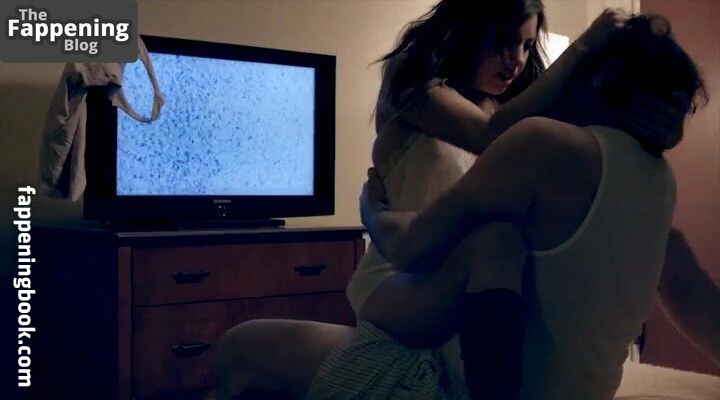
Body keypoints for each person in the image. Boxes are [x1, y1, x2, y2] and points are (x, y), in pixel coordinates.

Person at [213, 3, 705, 399]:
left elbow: (554, 141)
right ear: (466, 31)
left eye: (526, 45)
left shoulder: (526, 128)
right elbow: (490, 136)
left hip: (450, 269)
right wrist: (376, 219)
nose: (516, 59)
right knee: (494, 240)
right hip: (404, 272)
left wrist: (658, 126)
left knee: (496, 240)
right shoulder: (421, 92)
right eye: (502, 42)